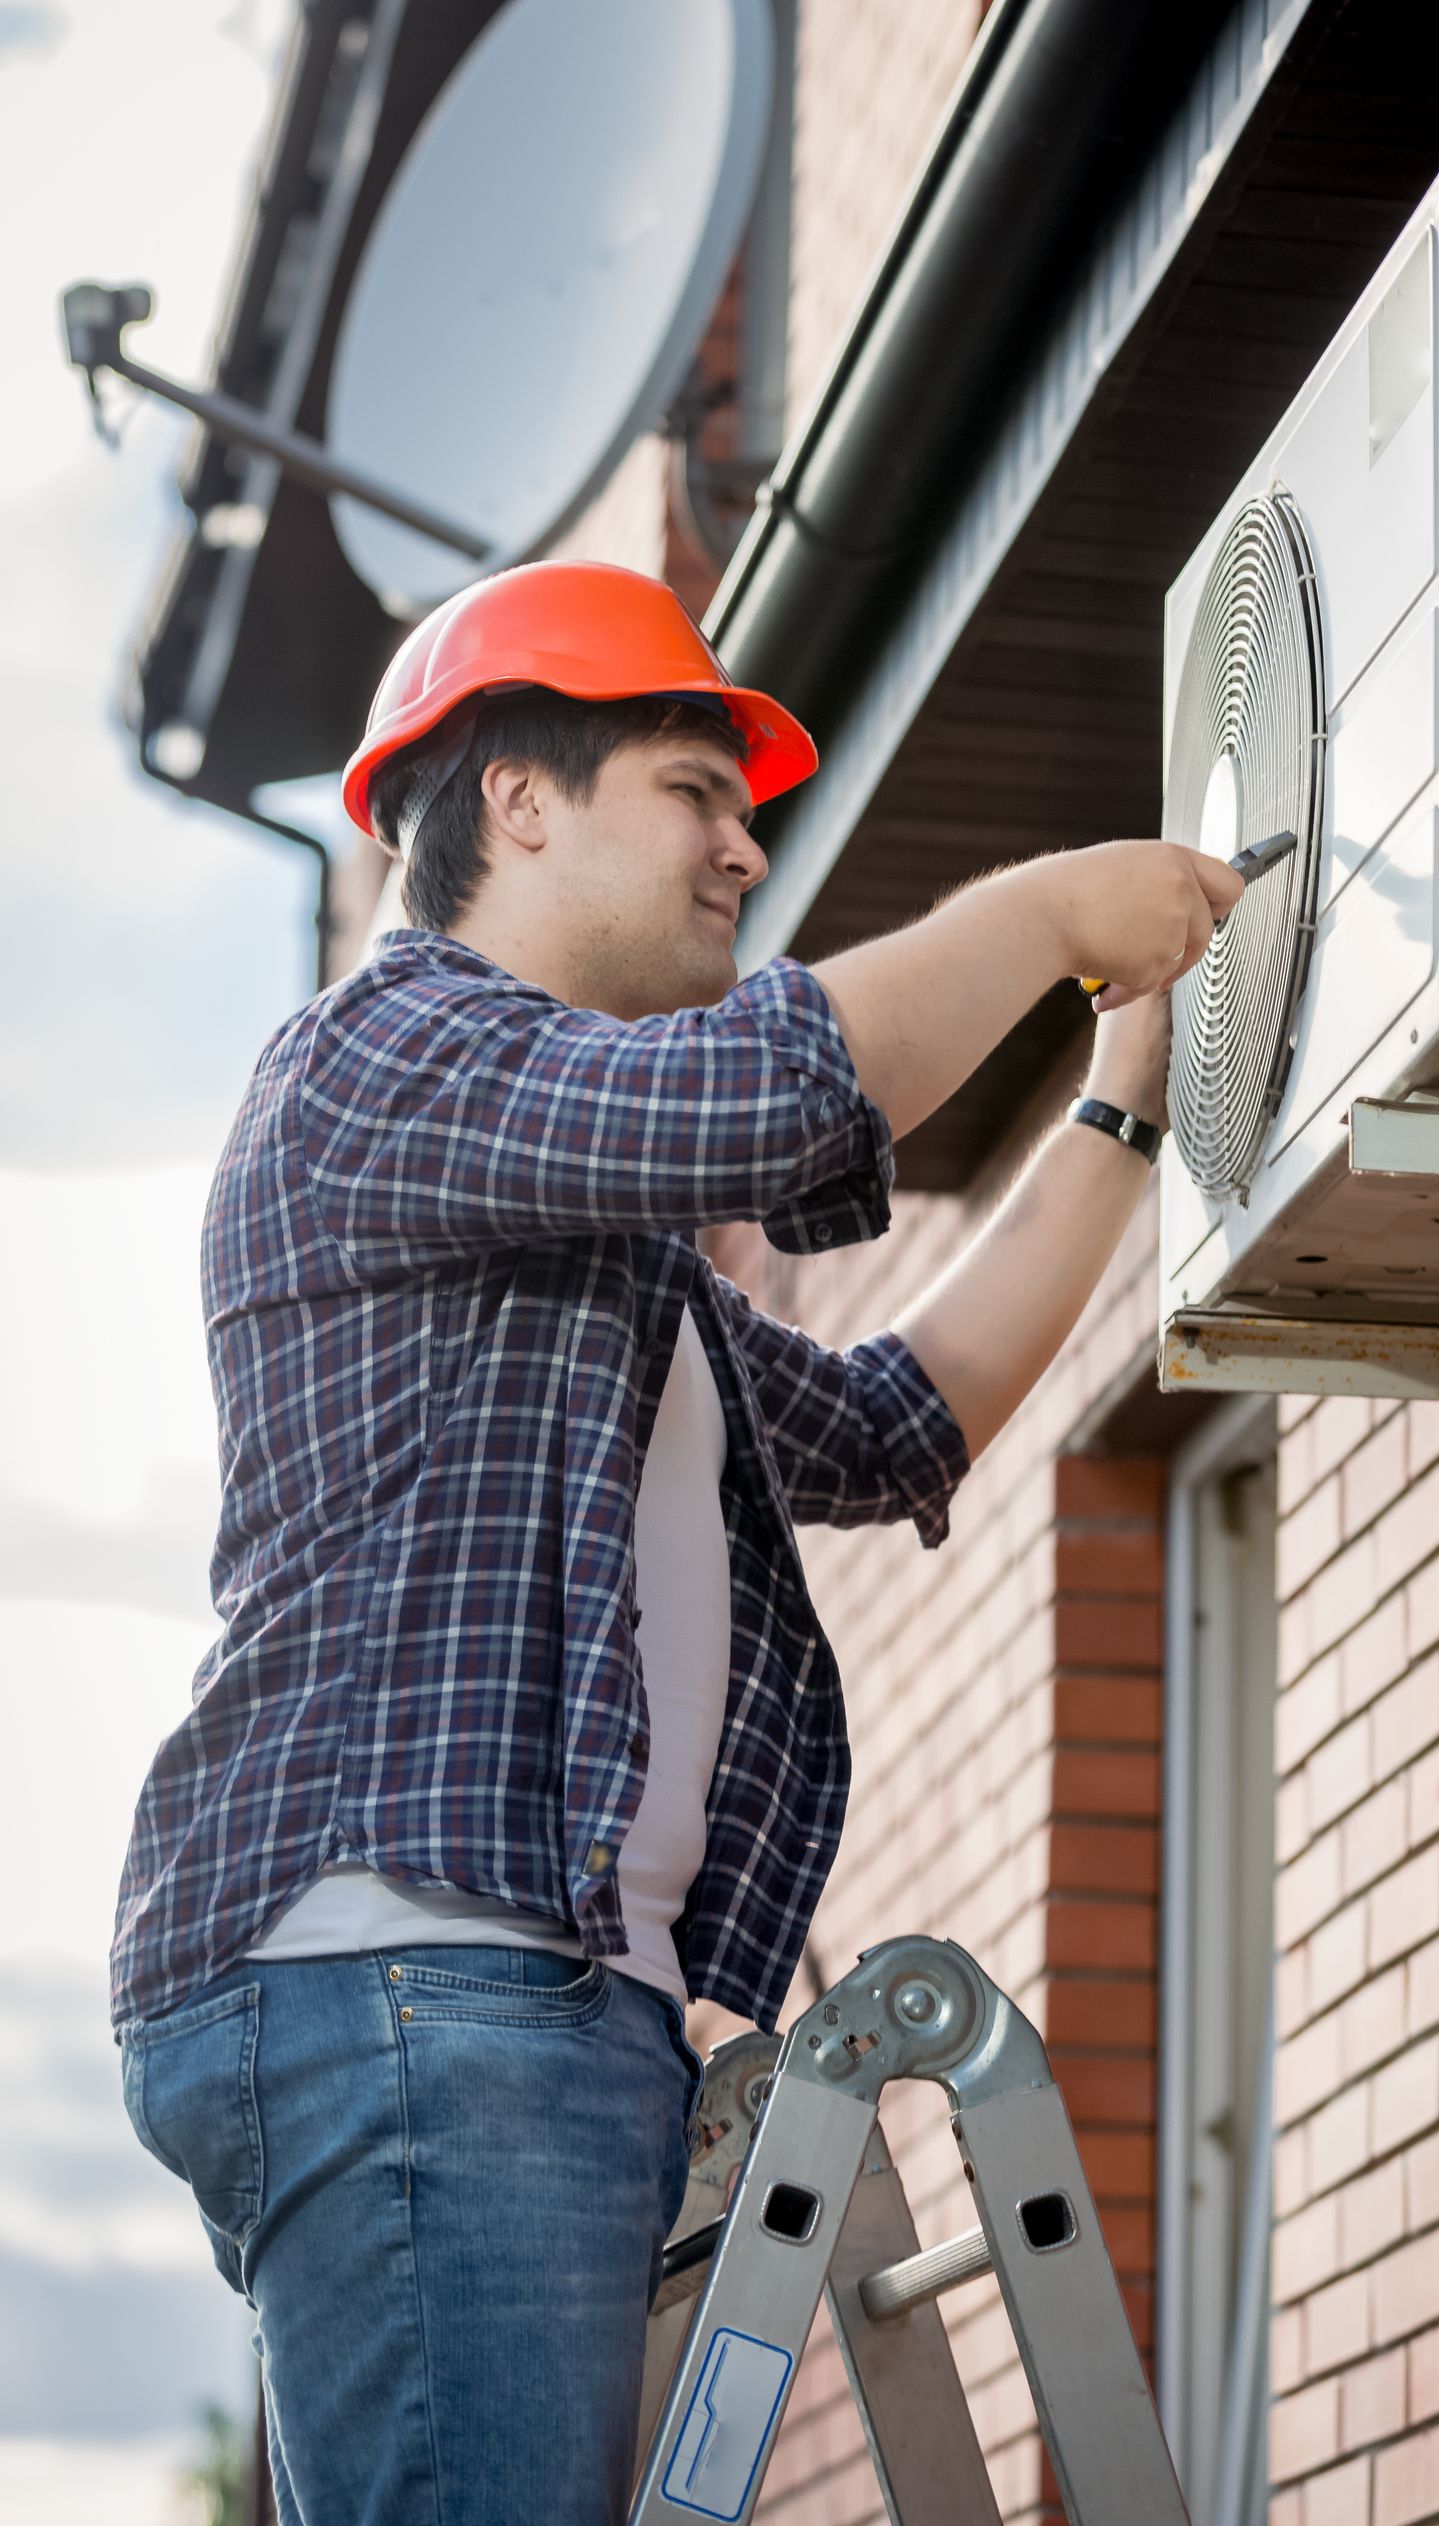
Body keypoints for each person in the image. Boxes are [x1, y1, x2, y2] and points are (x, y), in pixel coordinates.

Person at [110, 560, 1241, 2525]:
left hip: (507, 1996)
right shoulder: (375, 1060)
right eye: (690, 791)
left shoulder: (587, 1252)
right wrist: (1052, 916)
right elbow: (774, 1086)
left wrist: (1121, 1104)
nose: (744, 848)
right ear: (517, 797)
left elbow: (899, 1419)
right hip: (422, 1974)